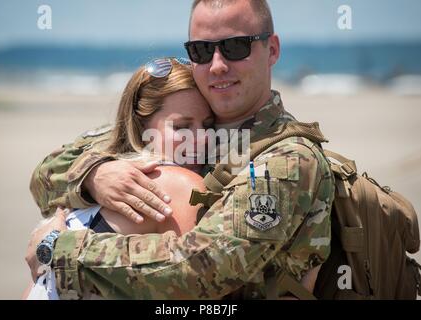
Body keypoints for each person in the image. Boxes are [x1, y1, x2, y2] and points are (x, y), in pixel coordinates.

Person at [26, 0, 335, 299]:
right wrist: (95, 176)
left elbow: (203, 268)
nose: (217, 66)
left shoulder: (288, 159)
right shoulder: (187, 123)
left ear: (272, 50)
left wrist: (59, 249)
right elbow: (44, 175)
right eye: (201, 51)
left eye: (235, 47)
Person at [24, 57, 212, 299]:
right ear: (143, 127)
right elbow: (196, 291)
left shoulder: (111, 166)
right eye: (181, 127)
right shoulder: (182, 186)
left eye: (208, 124)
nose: (202, 138)